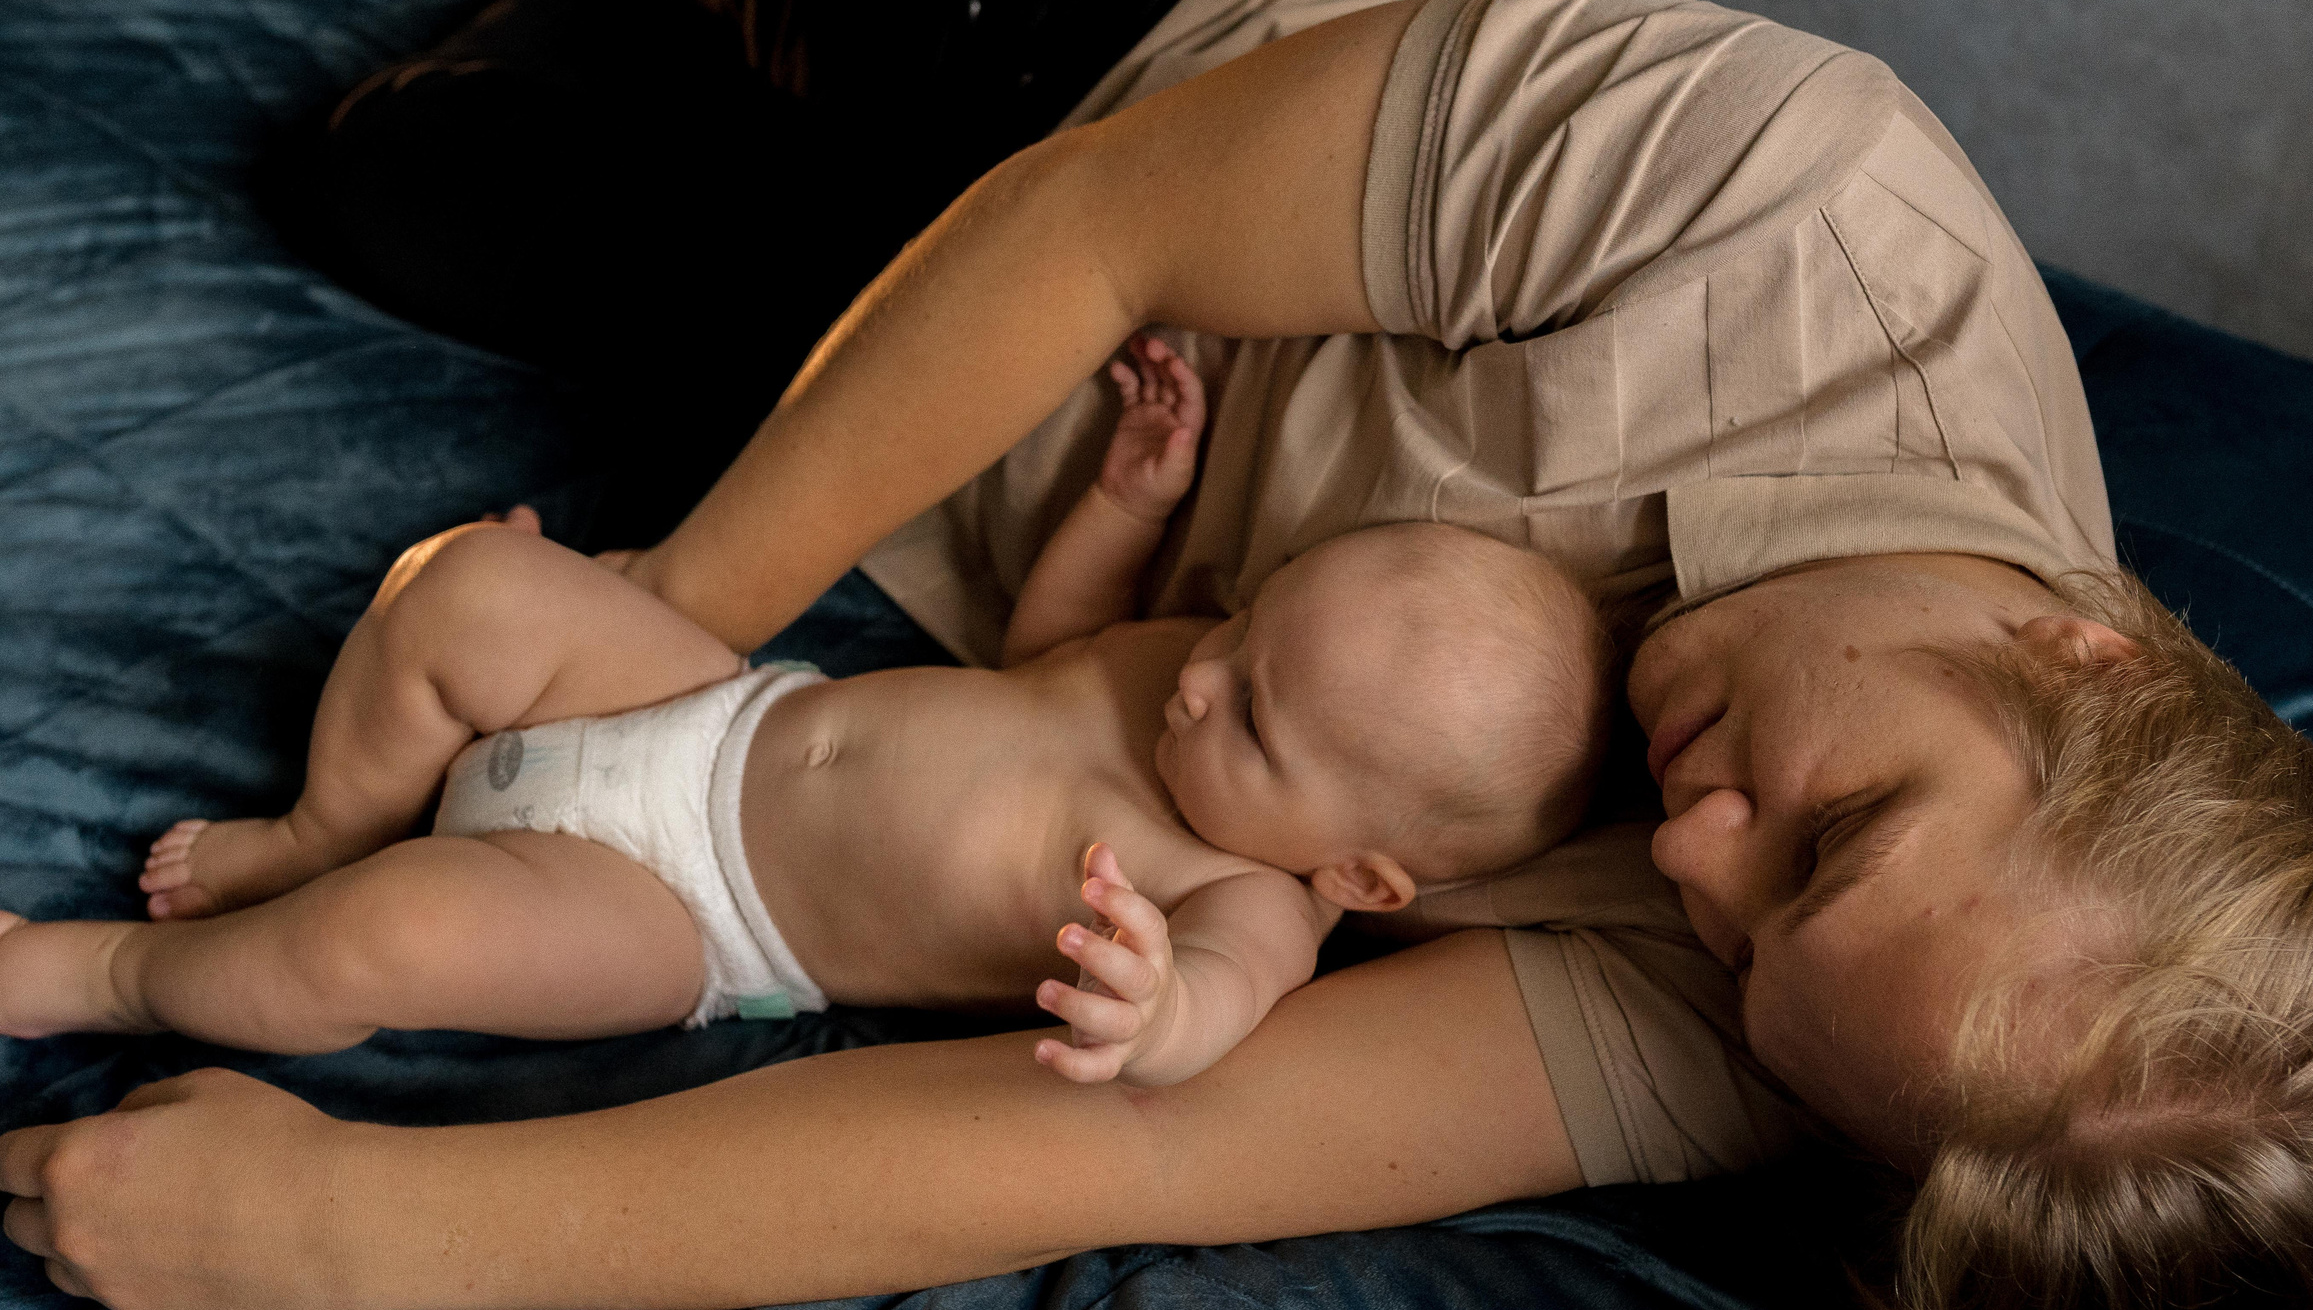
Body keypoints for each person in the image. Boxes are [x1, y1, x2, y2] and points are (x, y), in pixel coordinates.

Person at [0, 0, 2313, 1310]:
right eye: (1818, 831)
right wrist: (659, 626)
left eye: (1752, 959)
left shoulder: (1823, 1014)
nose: (1688, 871)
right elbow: (1091, 235)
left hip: (1011, 543)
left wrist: (361, 1214)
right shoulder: (1789, 204)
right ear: (2086, 649)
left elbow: (1110, 1154)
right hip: (1092, 93)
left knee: (402, 190)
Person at [0, 337, 1609, 1088]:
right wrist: (1126, 503)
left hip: (697, 917)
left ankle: (112, 975)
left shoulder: (1241, 901)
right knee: (456, 592)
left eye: (1252, 715)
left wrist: (1149, 1012)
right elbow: (1047, 647)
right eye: (1244, 629)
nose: (1198, 674)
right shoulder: (1185, 673)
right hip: (715, 711)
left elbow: (1217, 1016)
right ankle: (310, 830)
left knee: (387, 945)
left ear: (1365, 877)